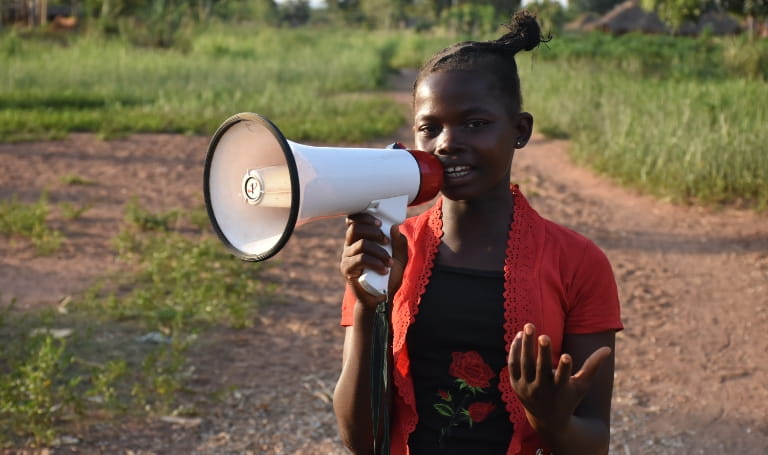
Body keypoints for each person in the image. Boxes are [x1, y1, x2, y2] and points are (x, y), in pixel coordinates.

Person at [333, 10, 623, 455]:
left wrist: (551, 420)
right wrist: (371, 305)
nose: (447, 142)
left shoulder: (579, 264)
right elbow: (360, 442)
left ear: (520, 130)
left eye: (475, 123)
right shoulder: (389, 249)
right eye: (430, 128)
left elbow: (593, 443)